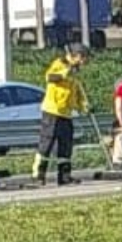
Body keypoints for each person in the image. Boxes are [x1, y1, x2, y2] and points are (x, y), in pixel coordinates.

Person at [31, 43, 90, 186]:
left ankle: (64, 176)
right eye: (84, 58)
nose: (85, 62)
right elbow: (50, 77)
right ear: (76, 56)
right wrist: (65, 72)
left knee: (66, 145)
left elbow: (76, 91)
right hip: (52, 110)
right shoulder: (60, 63)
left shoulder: (75, 72)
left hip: (66, 113)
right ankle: (38, 175)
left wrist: (84, 106)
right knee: (47, 142)